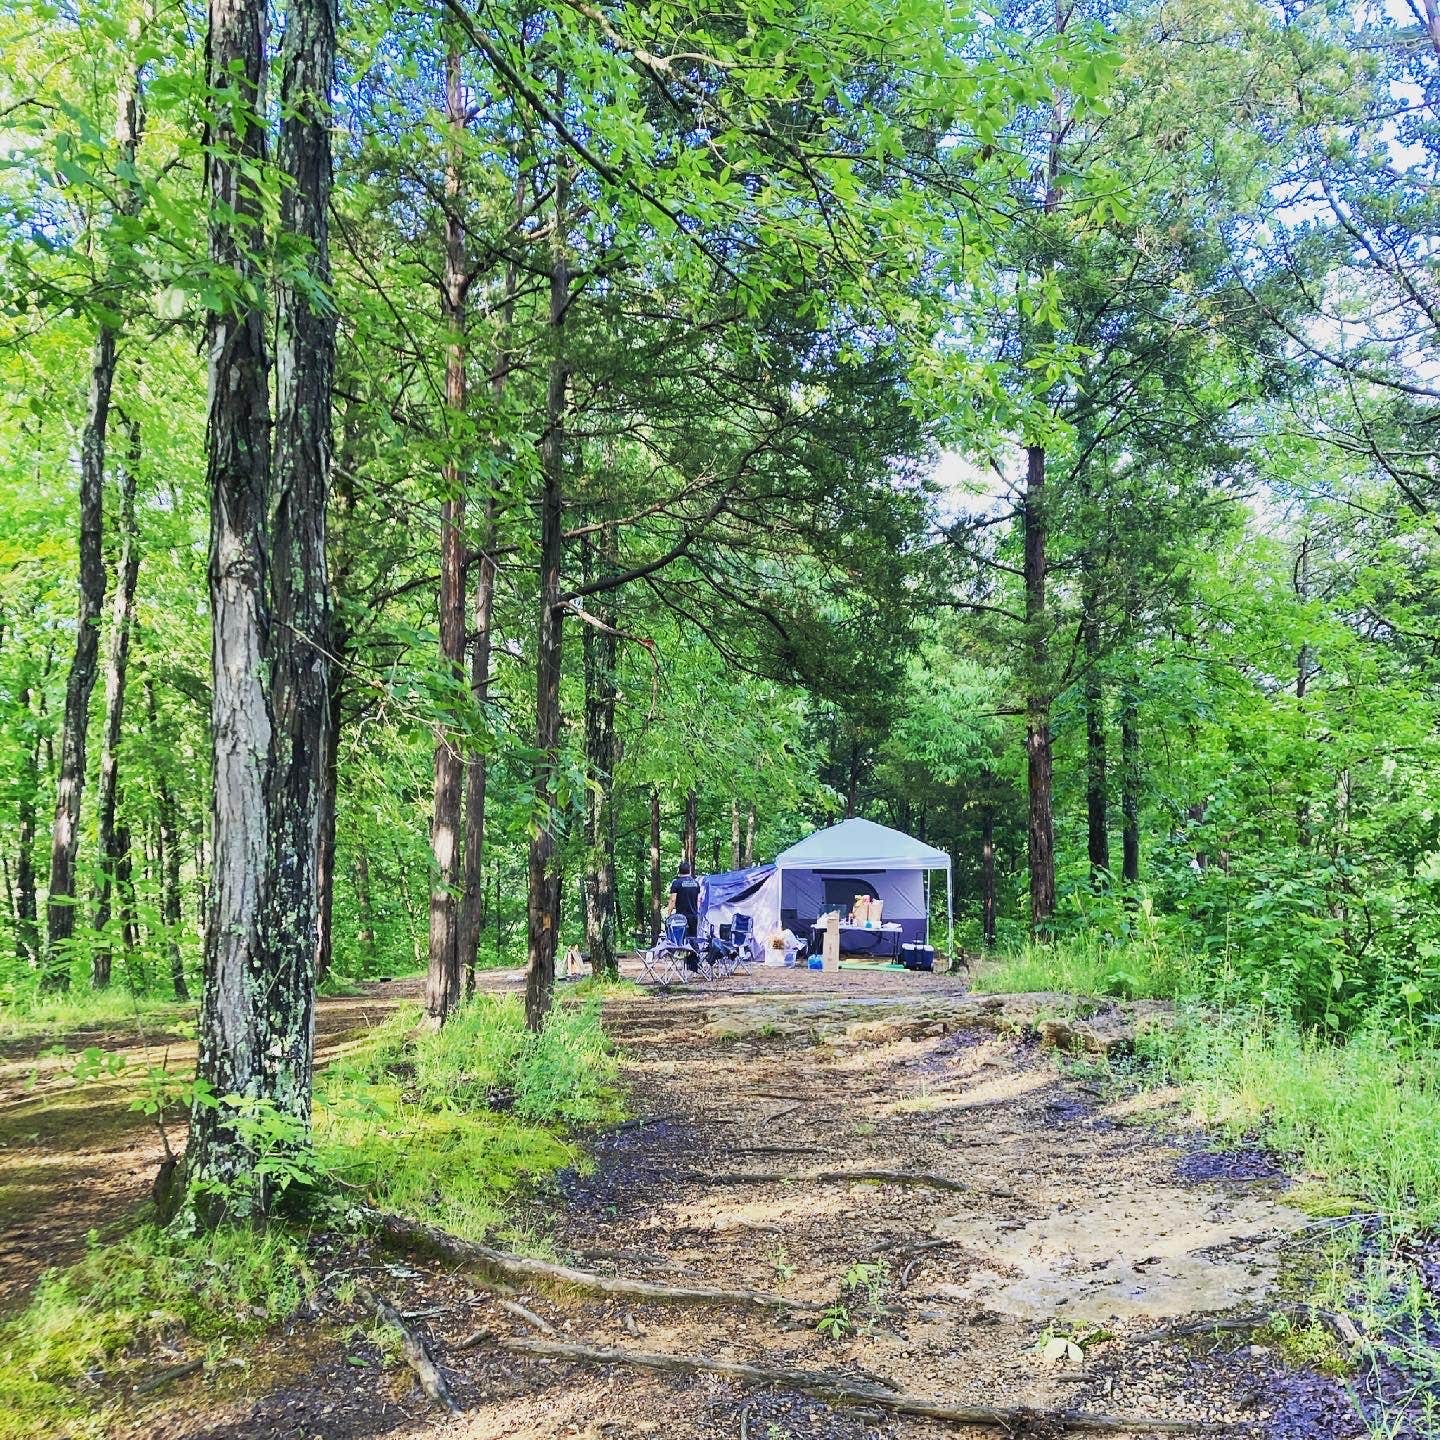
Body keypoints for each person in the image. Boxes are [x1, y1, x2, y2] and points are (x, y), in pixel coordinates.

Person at [666, 860, 702, 940]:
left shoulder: (676, 883)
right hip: (693, 916)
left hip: (680, 918)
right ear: (689, 871)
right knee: (693, 939)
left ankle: (680, 952)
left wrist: (669, 914)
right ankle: (694, 952)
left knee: (680, 940)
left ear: (679, 871)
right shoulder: (696, 883)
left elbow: (673, 900)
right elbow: (698, 900)